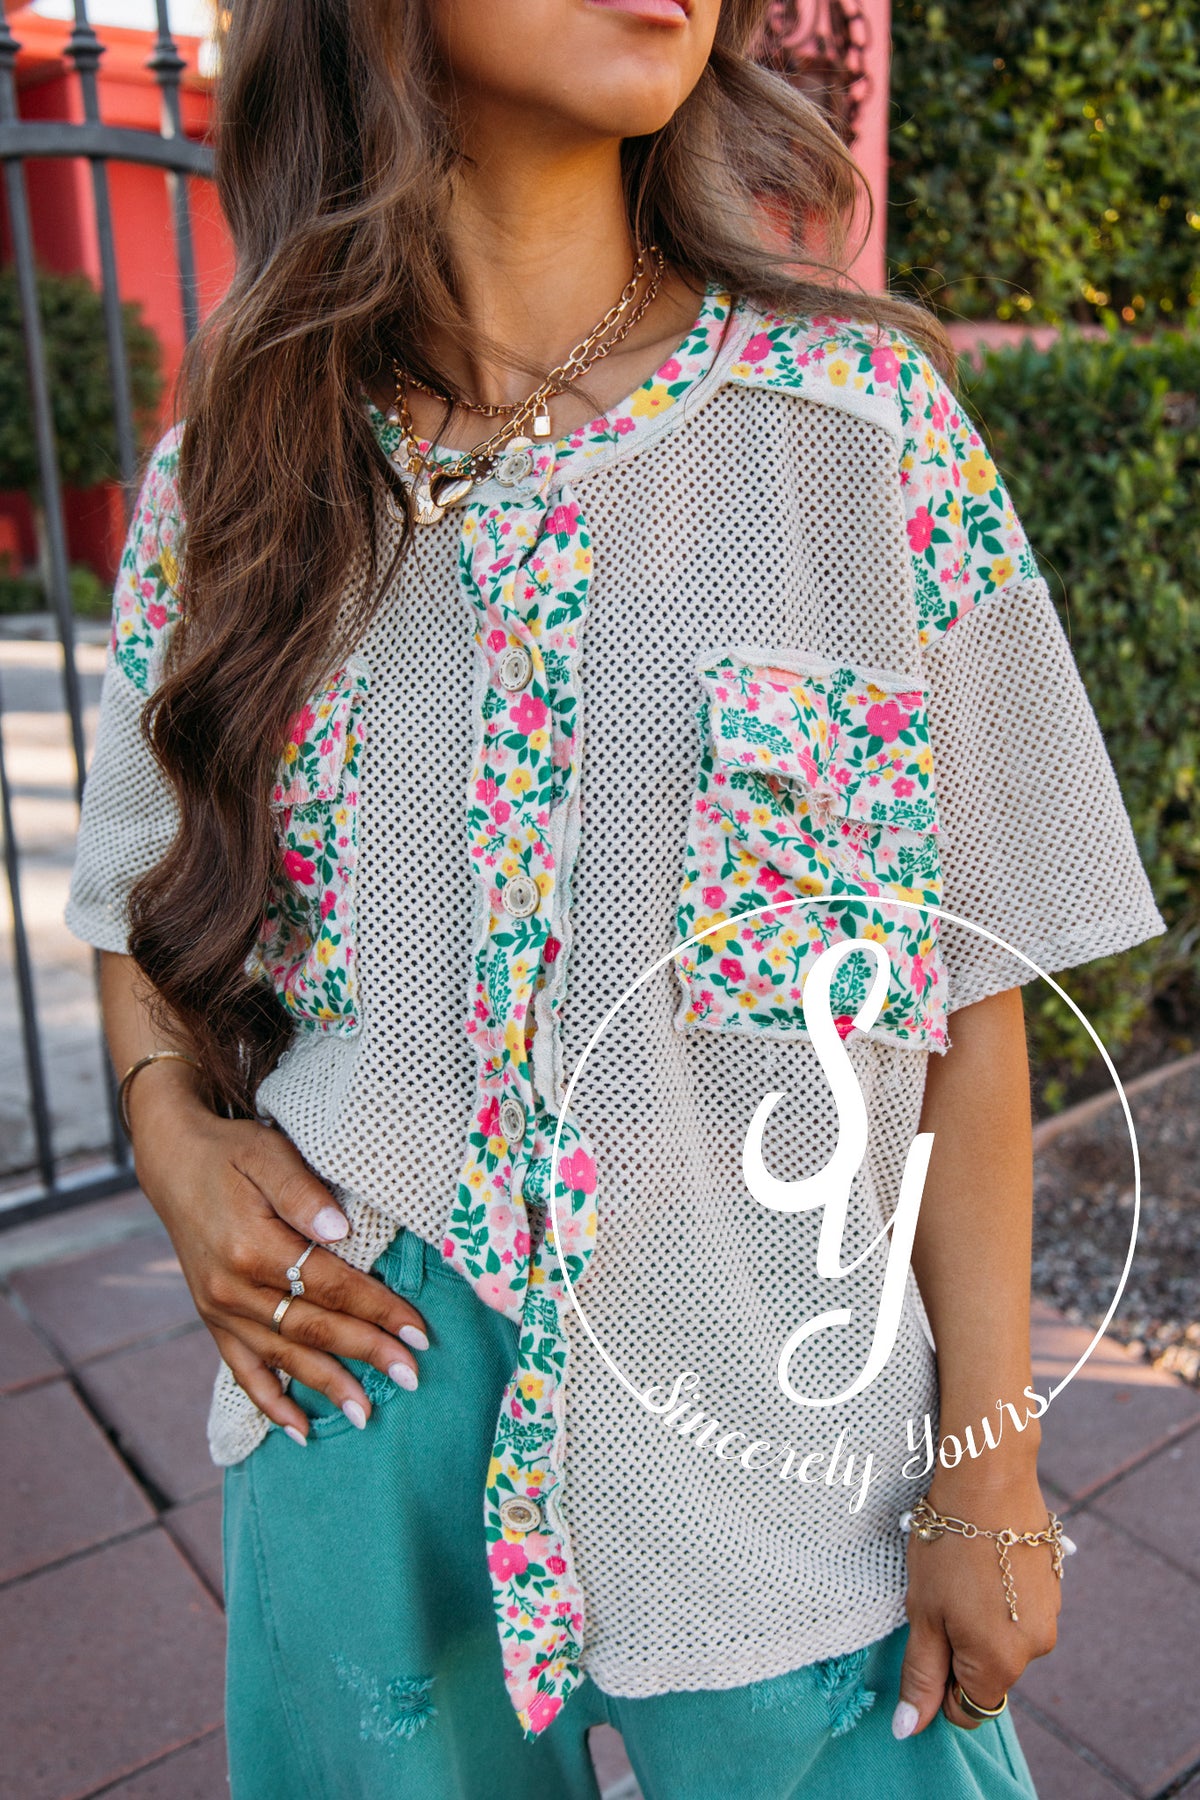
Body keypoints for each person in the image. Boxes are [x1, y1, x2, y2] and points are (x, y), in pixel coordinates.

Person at [65, 2, 1165, 1796]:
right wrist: (170, 1141)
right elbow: (135, 898)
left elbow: (968, 991)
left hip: (779, 1469)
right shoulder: (239, 478)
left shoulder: (859, 440)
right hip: (351, 1420)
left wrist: (993, 1464)